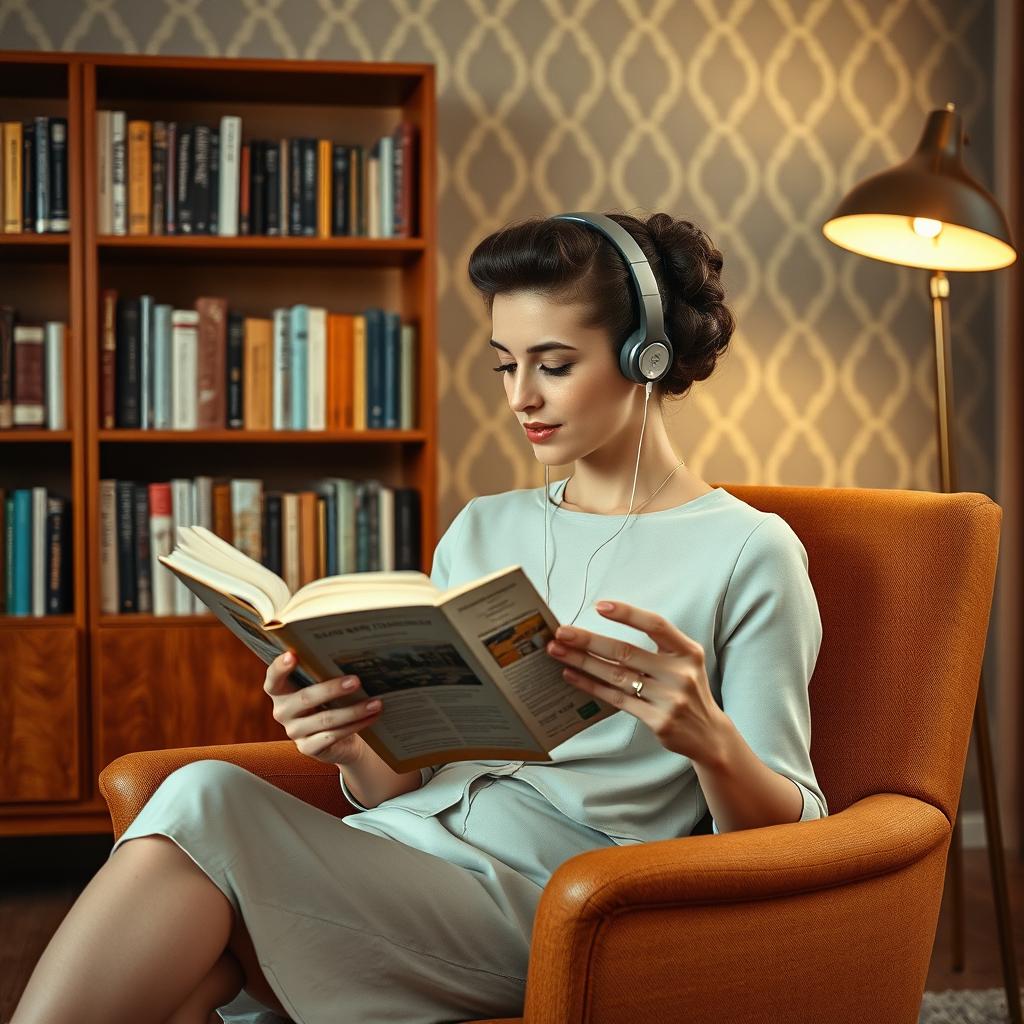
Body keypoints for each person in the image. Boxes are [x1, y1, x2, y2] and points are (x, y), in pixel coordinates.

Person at [11, 210, 828, 1024]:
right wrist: (349, 739)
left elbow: (797, 829)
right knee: (187, 970)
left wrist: (706, 738)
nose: (521, 397)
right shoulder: (484, 525)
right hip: (401, 849)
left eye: (554, 364)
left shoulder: (748, 551)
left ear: (643, 357)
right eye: (505, 365)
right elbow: (403, 781)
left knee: (203, 797)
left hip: (558, 901)